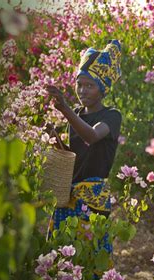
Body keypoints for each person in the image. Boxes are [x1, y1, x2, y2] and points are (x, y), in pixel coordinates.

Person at [45, 39, 122, 258]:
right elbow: (75, 154)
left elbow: (92, 136)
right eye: (80, 84)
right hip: (68, 193)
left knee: (88, 254)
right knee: (63, 254)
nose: (83, 90)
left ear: (103, 89)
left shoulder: (112, 115)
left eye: (90, 85)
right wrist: (54, 138)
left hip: (93, 196)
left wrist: (65, 109)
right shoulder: (77, 114)